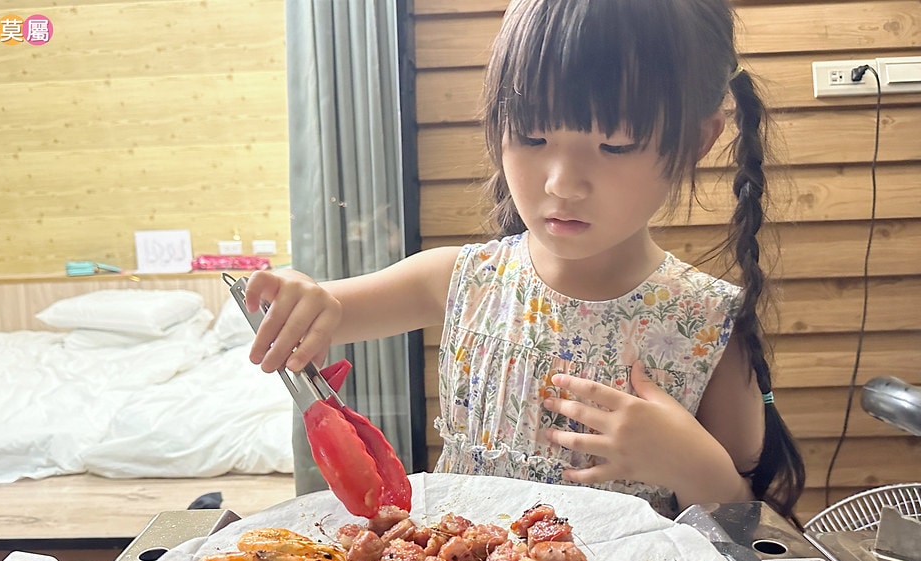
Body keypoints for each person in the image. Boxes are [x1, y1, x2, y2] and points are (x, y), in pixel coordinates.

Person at [245, 0, 805, 519]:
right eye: (532, 137)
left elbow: (754, 531)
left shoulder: (707, 323)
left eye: (615, 145)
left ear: (698, 140)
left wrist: (693, 466)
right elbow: (322, 310)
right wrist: (300, 297)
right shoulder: (461, 280)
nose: (562, 183)